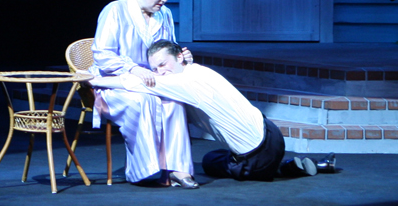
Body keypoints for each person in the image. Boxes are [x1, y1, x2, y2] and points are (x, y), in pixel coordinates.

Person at [95, 40, 319, 183]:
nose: (159, 72)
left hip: (256, 154)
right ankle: (291, 164)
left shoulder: (182, 83)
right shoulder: (200, 70)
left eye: (163, 64)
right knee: (225, 154)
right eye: (154, 69)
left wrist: (95, 80)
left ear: (179, 56)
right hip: (272, 133)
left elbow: (134, 83)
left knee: (211, 160)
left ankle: (281, 168)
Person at [91, 0, 197, 187]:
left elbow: (168, 50)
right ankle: (146, 168)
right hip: (115, 83)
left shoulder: (164, 15)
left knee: (174, 102)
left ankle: (177, 169)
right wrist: (133, 68)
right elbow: (102, 54)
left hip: (153, 83)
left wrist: (181, 59)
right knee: (144, 100)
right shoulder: (115, 11)